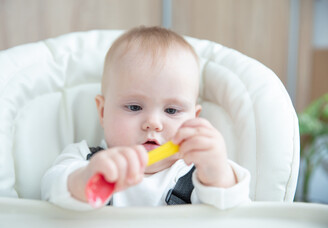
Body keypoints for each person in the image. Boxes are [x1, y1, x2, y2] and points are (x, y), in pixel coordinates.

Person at [41, 26, 250, 210]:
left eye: (171, 111)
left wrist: (216, 169)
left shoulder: (197, 173)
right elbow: (52, 190)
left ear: (194, 118)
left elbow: (230, 209)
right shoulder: (84, 159)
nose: (153, 123)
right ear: (103, 112)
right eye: (134, 106)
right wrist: (87, 179)